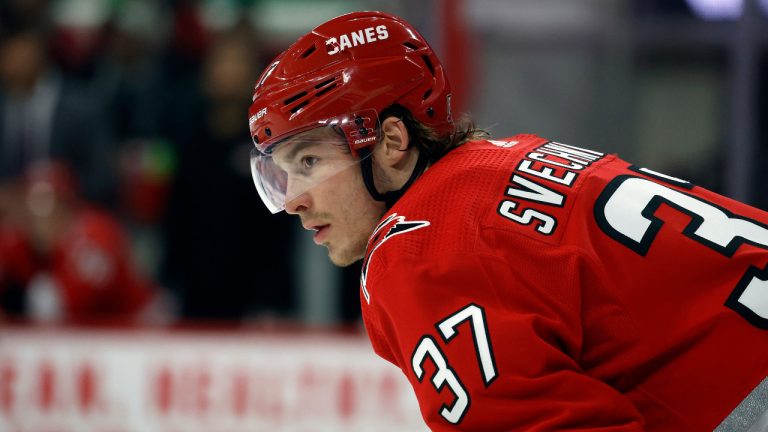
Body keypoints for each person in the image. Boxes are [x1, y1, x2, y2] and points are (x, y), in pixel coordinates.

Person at [246, 11, 768, 431]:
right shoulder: (508, 159)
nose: (292, 200)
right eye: (282, 173)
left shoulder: (417, 250)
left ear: (390, 142)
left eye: (309, 163)